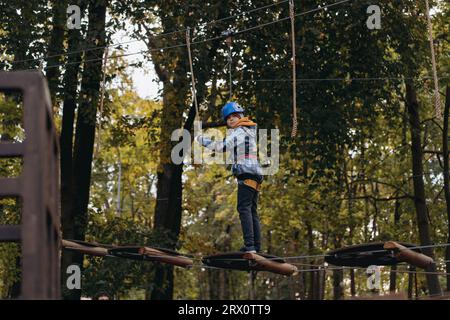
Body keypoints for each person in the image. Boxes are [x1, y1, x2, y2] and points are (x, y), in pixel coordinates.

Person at [195, 102, 263, 253]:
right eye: (228, 118)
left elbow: (221, 147)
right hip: (255, 172)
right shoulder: (248, 129)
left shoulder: (241, 130)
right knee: (251, 209)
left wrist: (201, 140)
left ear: (241, 116)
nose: (231, 119)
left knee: (243, 208)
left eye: (234, 116)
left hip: (247, 171)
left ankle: (250, 246)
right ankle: (256, 246)